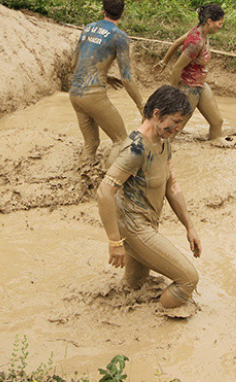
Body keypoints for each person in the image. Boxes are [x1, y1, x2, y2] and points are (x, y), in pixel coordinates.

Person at [97, 85, 201, 309]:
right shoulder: (136, 149)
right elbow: (104, 191)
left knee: (136, 285)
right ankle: (160, 329)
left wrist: (189, 227)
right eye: (175, 121)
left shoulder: (163, 142)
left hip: (147, 224)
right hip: (134, 228)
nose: (178, 128)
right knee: (188, 279)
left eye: (181, 123)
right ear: (157, 114)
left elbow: (171, 186)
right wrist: (115, 242)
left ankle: (127, 325)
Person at [69, 0, 145, 165]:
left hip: (75, 93)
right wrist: (141, 106)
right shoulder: (120, 37)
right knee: (121, 141)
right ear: (122, 12)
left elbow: (74, 65)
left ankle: (83, 179)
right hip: (93, 94)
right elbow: (126, 77)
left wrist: (104, 75)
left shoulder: (88, 28)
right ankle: (110, 186)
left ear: (103, 10)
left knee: (91, 144)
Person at [152, 4, 226, 141]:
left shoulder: (202, 33)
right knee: (172, 132)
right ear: (209, 21)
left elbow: (175, 43)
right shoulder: (195, 43)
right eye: (219, 23)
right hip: (188, 88)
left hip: (200, 85)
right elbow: (177, 68)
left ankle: (212, 152)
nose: (221, 26)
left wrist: (163, 62)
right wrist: (173, 94)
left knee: (217, 122)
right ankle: (158, 154)